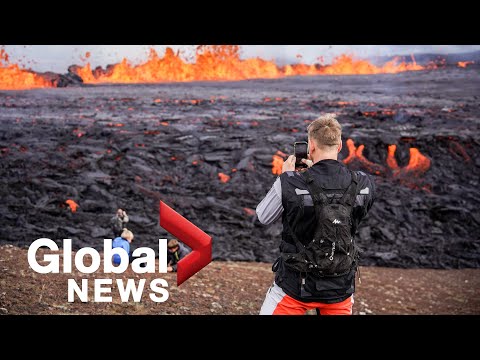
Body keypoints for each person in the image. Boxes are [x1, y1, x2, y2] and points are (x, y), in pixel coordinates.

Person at [257, 113, 376, 315]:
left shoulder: (292, 182)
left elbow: (263, 216)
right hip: (340, 288)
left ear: (311, 146)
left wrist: (285, 178)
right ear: (339, 146)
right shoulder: (362, 183)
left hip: (295, 289)